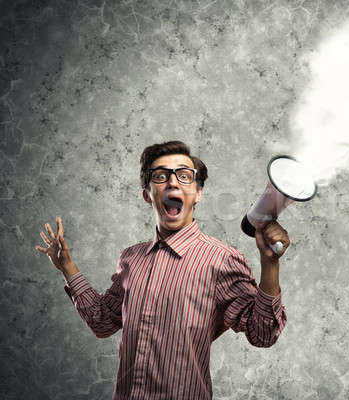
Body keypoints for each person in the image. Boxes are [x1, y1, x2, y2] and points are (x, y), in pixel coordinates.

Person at [35, 140, 290, 399]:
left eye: (184, 175)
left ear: (198, 193)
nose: (172, 182)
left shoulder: (222, 260)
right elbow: (102, 322)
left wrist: (270, 265)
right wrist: (67, 267)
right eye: (160, 176)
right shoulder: (131, 259)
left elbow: (263, 334)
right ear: (147, 194)